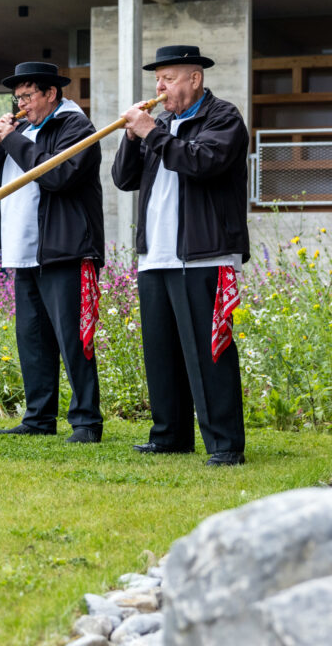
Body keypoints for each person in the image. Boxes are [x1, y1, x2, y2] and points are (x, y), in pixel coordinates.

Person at [112, 45, 250, 467]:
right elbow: (123, 179)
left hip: (203, 254)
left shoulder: (223, 118)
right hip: (157, 254)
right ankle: (170, 435)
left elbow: (202, 162)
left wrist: (152, 131)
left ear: (195, 79)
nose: (160, 87)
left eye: (168, 78)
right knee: (161, 351)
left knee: (209, 352)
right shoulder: (163, 123)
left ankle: (225, 444)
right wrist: (131, 137)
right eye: (157, 79)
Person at [0, 61, 105, 443]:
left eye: (28, 96)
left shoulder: (75, 126)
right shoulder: (25, 130)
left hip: (65, 249)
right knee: (32, 338)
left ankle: (86, 421)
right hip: (24, 250)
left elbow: (56, 175)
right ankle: (38, 416)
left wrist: (14, 140)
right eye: (17, 98)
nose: (22, 105)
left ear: (51, 93)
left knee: (73, 338)